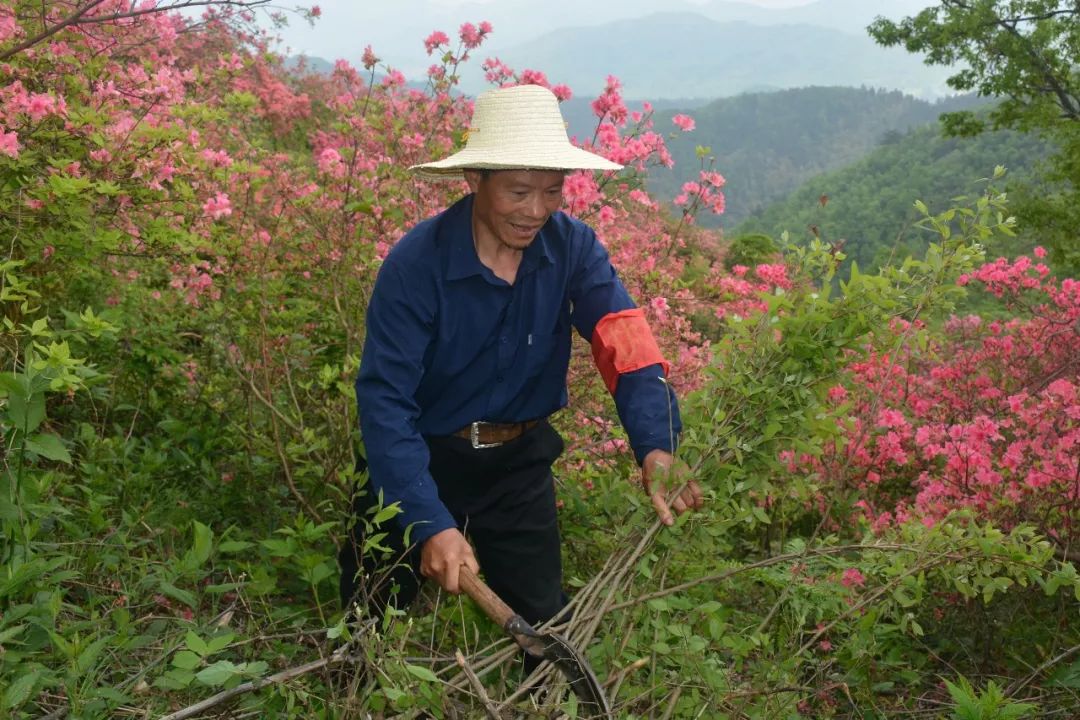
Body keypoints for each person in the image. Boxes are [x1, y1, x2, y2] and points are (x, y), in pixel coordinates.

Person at [339, 84, 703, 630]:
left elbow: (625, 345)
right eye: (517, 192)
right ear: (474, 181)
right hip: (419, 460)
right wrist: (428, 520)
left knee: (546, 630)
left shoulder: (573, 248)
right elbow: (385, 403)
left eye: (552, 192)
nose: (536, 211)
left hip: (517, 466)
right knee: (368, 622)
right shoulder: (417, 265)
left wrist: (656, 446)